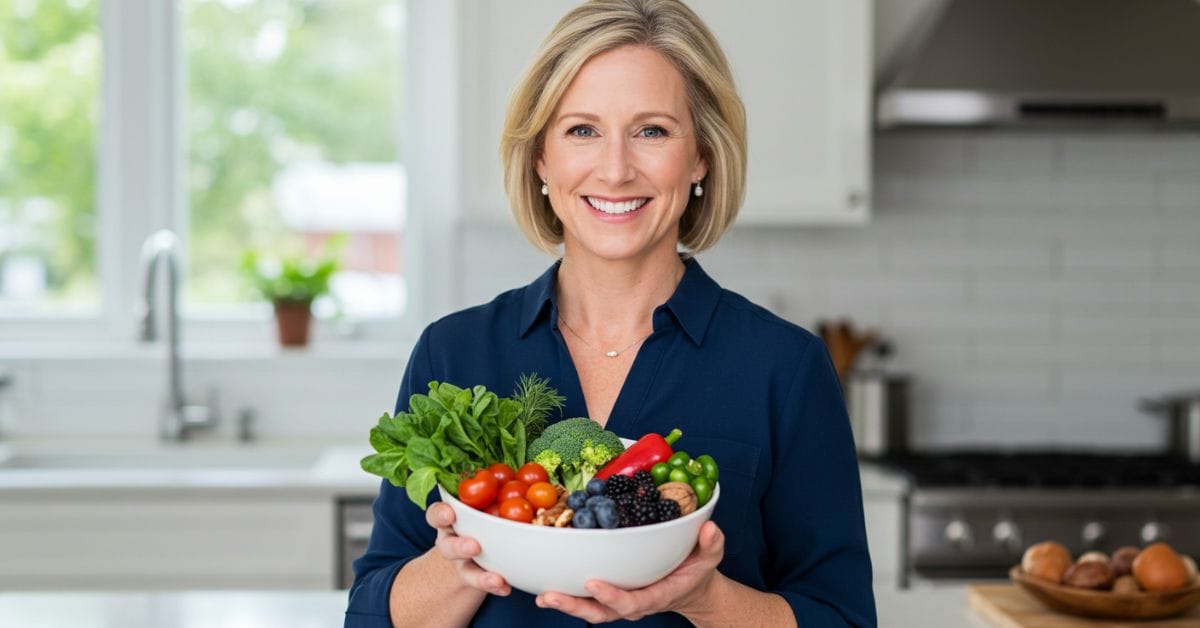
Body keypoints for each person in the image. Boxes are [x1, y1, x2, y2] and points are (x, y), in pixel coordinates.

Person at [345, 0, 875, 625]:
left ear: (701, 155)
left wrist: (706, 597)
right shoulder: (454, 353)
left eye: (652, 130)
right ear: (541, 157)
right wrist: (458, 563)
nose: (617, 169)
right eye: (582, 130)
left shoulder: (784, 368)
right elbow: (372, 615)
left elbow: (840, 617)